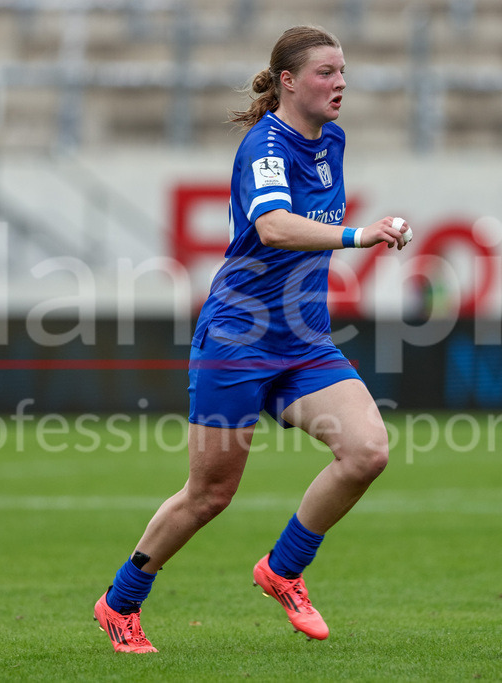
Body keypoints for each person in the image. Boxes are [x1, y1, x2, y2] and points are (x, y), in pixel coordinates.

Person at [93, 25, 413, 653]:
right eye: (326, 72)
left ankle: (284, 568)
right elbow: (271, 227)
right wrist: (360, 235)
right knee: (211, 493)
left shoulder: (333, 142)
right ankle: (120, 602)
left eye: (343, 70)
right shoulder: (263, 145)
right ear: (288, 81)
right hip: (237, 340)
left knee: (367, 451)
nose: (340, 82)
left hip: (303, 341)